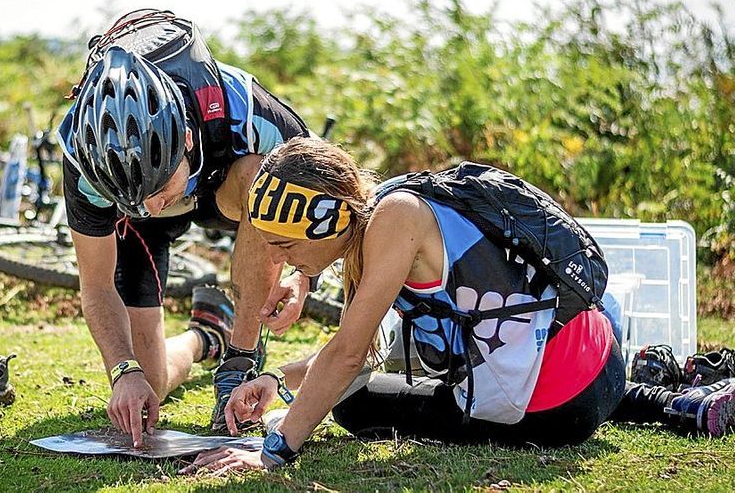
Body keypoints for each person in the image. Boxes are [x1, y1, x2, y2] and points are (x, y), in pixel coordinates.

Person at [179, 137, 735, 474]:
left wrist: (273, 450)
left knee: (353, 406)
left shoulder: (395, 218)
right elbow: (369, 350)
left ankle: (664, 394)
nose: (282, 260)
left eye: (285, 246)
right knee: (348, 393)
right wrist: (278, 380)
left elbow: (349, 358)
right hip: (589, 362)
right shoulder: (387, 212)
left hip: (559, 403)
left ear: (325, 220)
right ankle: (670, 400)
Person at [57, 11, 315, 447]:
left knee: (261, 174)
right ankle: (206, 334)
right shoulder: (86, 160)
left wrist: (303, 276)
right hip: (140, 229)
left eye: (157, 188)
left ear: (188, 140)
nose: (148, 206)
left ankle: (238, 360)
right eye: (130, 197)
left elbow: (324, 200)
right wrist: (125, 370)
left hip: (226, 189)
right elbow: (96, 284)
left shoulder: (250, 113)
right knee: (149, 384)